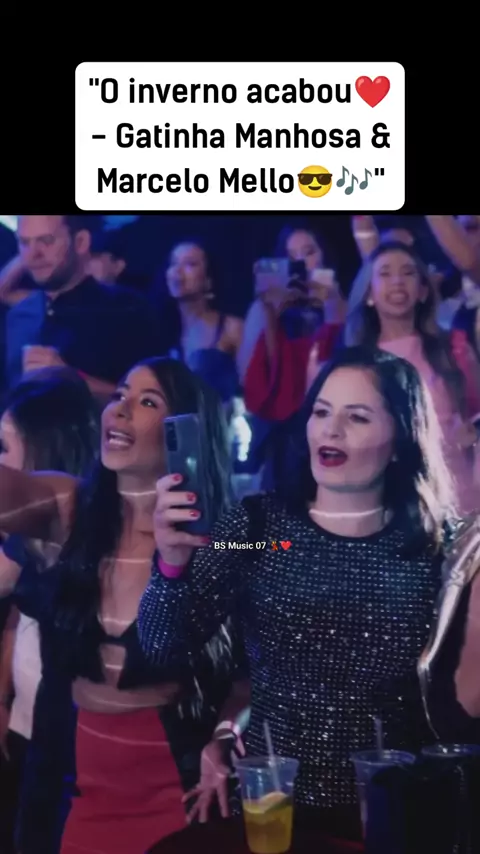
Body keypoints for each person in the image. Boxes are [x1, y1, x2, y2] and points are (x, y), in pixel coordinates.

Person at [138, 346, 456, 839]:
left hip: (397, 813)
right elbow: (163, 647)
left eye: (357, 417)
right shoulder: (262, 530)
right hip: (276, 807)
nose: (331, 430)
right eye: (322, 412)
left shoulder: (437, 546)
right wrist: (172, 564)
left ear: (400, 440)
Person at [0, 358, 242, 854]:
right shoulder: (68, 508)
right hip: (75, 791)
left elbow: (252, 671)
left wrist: (225, 734)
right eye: (119, 396)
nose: (121, 409)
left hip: (179, 793)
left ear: (186, 431)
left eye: (147, 401)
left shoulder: (222, 539)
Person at [0, 367, 99, 854]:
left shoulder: (77, 511)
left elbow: (246, 544)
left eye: (3, 447)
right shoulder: (24, 538)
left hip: (77, 743)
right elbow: (17, 618)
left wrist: (269, 545)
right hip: (29, 727)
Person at [345, 241, 480, 515]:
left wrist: (471, 435)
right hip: (391, 506)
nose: (397, 281)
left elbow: (477, 412)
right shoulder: (354, 364)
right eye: (385, 273)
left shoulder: (453, 348)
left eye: (408, 272)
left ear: (422, 291)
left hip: (461, 501)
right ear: (369, 294)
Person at [3, 215, 164, 398]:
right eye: (25, 243)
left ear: (81, 242)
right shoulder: (18, 315)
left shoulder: (129, 310)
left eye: (46, 241)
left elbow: (151, 400)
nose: (33, 254)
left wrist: (71, 378)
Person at [238, 226, 345, 423]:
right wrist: (271, 315)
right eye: (291, 257)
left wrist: (332, 306)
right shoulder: (264, 309)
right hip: (279, 425)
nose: (300, 263)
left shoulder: (339, 304)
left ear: (325, 256)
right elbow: (251, 383)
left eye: (309, 252)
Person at [153, 241, 244, 405]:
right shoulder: (161, 331)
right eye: (173, 263)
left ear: (208, 280)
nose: (178, 271)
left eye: (190, 264)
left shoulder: (231, 327)